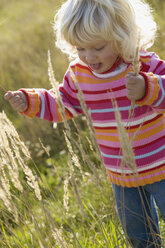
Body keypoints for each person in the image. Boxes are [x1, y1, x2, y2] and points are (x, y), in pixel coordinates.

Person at [4, 0, 165, 247]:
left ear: (121, 36)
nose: (89, 57)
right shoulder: (80, 74)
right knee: (139, 237)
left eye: (98, 47)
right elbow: (63, 102)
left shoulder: (142, 65)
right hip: (121, 175)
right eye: (80, 48)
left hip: (161, 166)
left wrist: (148, 87)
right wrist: (30, 101)